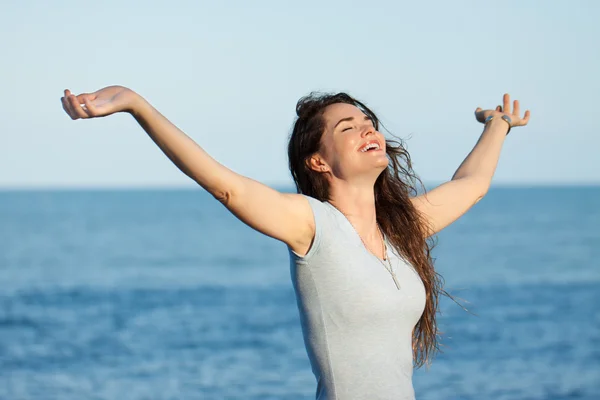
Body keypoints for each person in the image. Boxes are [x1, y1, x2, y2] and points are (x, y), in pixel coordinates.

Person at [60, 87, 530, 399]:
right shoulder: (312, 225)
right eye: (348, 127)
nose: (368, 128)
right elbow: (229, 187)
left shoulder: (401, 230)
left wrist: (497, 124)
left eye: (368, 121)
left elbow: (472, 184)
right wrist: (134, 103)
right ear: (318, 162)